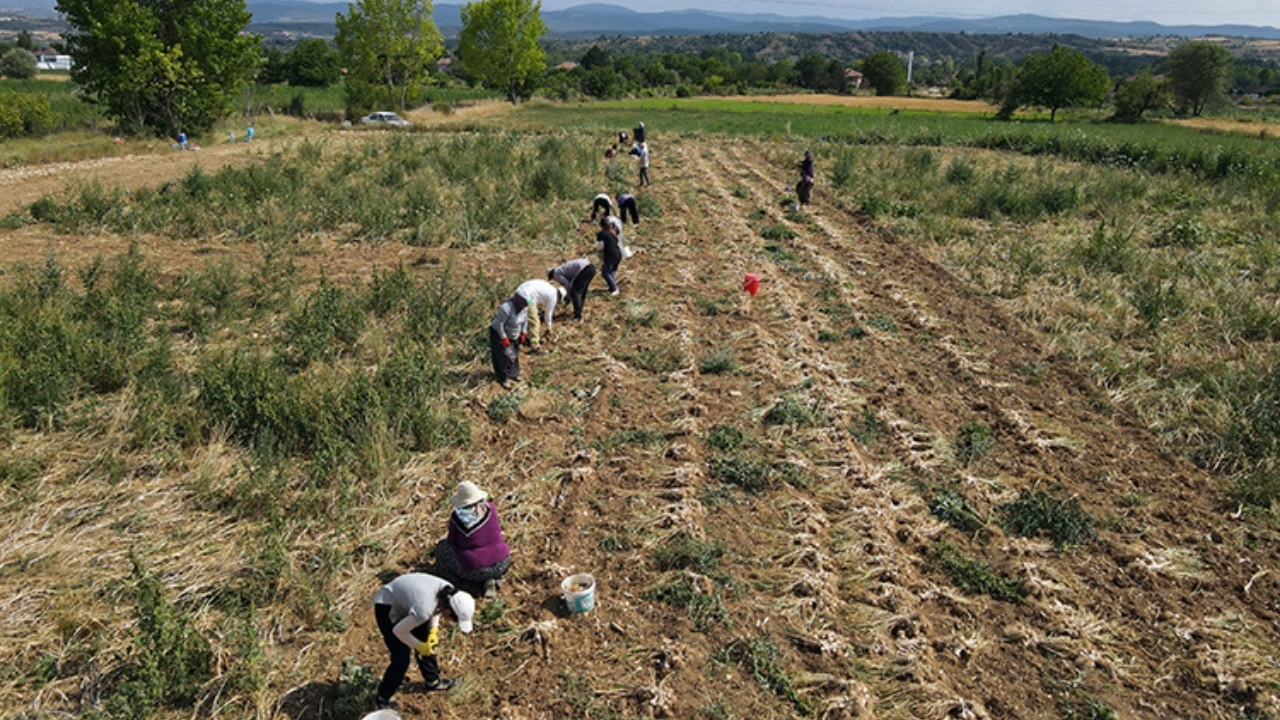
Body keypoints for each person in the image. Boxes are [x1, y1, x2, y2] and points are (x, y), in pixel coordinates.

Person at [372, 573, 475, 708]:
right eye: (454, 619)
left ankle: (433, 681)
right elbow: (399, 631)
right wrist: (419, 646)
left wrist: (433, 631)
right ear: (449, 610)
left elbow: (436, 609)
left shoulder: (449, 592)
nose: (452, 622)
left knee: (427, 640)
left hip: (409, 603)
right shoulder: (424, 608)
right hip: (387, 605)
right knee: (401, 658)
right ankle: (383, 697)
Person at [435, 481, 511, 599]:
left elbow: (451, 542)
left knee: (442, 548)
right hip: (502, 562)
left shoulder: (457, 517)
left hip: (477, 568)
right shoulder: (490, 508)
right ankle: (491, 579)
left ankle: (466, 585)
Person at [489, 293, 528, 389]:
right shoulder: (506, 308)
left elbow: (525, 321)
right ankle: (504, 378)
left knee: (514, 354)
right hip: (499, 332)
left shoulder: (525, 308)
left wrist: (523, 333)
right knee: (503, 356)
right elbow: (499, 325)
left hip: (514, 334)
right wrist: (503, 337)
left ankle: (514, 374)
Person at [515, 278, 566, 352]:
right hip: (527, 298)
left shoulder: (549, 287)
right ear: (560, 296)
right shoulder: (553, 296)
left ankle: (526, 337)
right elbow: (548, 314)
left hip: (518, 293)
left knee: (525, 317)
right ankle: (535, 346)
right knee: (535, 321)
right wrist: (549, 328)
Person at [597, 217, 623, 296]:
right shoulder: (613, 233)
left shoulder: (602, 234)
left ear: (601, 226)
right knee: (612, 271)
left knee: (605, 273)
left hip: (611, 255)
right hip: (618, 254)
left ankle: (614, 288)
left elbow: (601, 246)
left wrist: (599, 252)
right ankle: (612, 286)